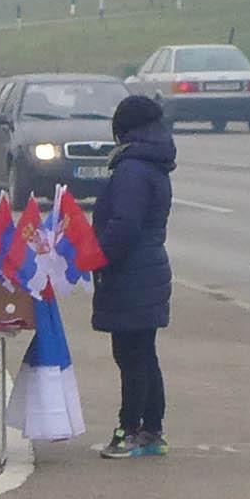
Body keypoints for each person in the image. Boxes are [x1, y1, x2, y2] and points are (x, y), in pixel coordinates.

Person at [91, 93, 175, 458]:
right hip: (148, 271)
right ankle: (152, 431)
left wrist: (98, 258)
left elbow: (124, 226)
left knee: (131, 357)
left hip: (131, 275)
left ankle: (129, 430)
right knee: (144, 354)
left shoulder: (131, 170)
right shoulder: (151, 164)